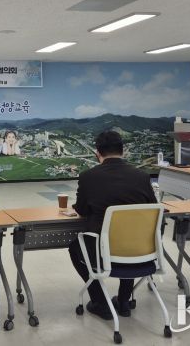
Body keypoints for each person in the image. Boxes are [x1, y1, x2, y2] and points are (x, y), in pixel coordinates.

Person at [68, 131, 157, 320]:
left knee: (75, 248)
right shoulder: (142, 177)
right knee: (130, 234)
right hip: (140, 250)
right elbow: (153, 208)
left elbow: (82, 210)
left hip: (103, 252)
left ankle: (101, 303)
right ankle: (124, 301)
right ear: (123, 151)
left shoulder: (88, 177)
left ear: (97, 153)